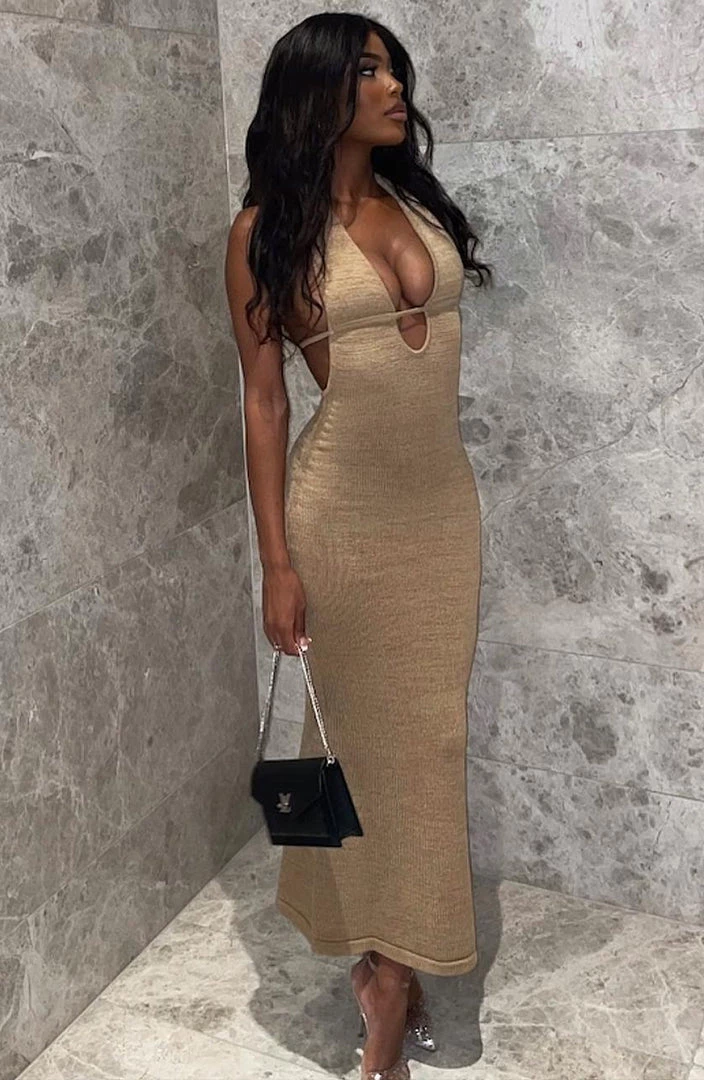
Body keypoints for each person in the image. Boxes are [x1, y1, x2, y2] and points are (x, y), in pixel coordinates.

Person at [225, 13, 493, 1079]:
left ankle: (398, 955)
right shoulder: (263, 232)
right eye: (369, 70)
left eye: (393, 69)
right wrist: (277, 564)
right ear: (317, 89)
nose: (393, 87)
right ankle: (384, 978)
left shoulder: (409, 202)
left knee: (429, 745)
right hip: (339, 520)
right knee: (364, 749)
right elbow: (264, 404)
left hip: (441, 516)